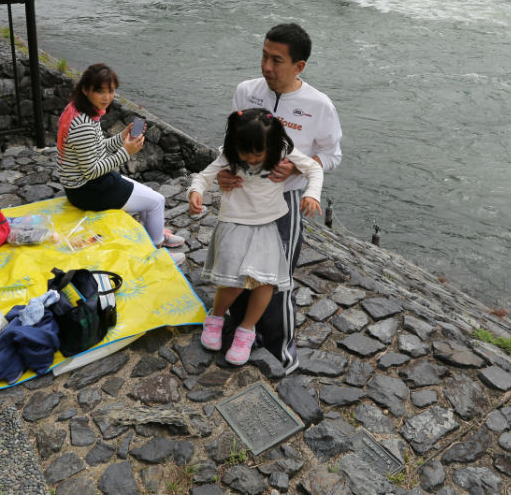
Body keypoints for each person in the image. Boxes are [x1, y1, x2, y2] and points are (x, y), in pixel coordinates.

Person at [216, 23, 342, 372]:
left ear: (299, 66)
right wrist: (224, 172)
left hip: (284, 205)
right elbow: (230, 143)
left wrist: (301, 169)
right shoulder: (245, 91)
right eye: (263, 56)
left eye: (277, 60)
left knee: (275, 281)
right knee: (237, 272)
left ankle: (281, 354)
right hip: (241, 199)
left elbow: (332, 156)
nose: (267, 67)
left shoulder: (319, 105)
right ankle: (242, 332)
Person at [190, 109, 322, 365]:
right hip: (234, 222)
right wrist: (195, 191)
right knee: (236, 282)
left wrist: (312, 193)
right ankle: (216, 317)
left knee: (265, 283)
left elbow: (314, 169)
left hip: (267, 225)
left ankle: (246, 330)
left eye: (257, 154)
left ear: (271, 146)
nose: (250, 159)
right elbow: (205, 175)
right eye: (244, 153)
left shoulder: (281, 150)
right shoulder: (230, 153)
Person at [55, 64, 186, 263]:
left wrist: (121, 136)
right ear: (85, 89)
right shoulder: (83, 124)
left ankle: (154, 234)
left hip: (86, 184)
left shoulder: (80, 110)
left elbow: (97, 148)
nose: (107, 97)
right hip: (87, 189)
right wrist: (126, 152)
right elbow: (91, 171)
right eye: (100, 91)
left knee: (146, 198)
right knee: (157, 201)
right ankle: (157, 253)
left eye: (111, 90)